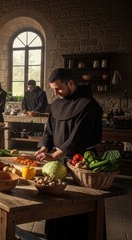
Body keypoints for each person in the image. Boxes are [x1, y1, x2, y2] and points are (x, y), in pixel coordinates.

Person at [35, 68, 103, 240]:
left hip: (81, 162)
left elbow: (78, 137)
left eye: (58, 88)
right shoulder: (57, 104)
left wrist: (56, 154)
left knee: (78, 206)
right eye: (53, 89)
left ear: (70, 83)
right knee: (56, 204)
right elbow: (49, 130)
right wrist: (44, 147)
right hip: (59, 160)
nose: (56, 93)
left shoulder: (87, 105)